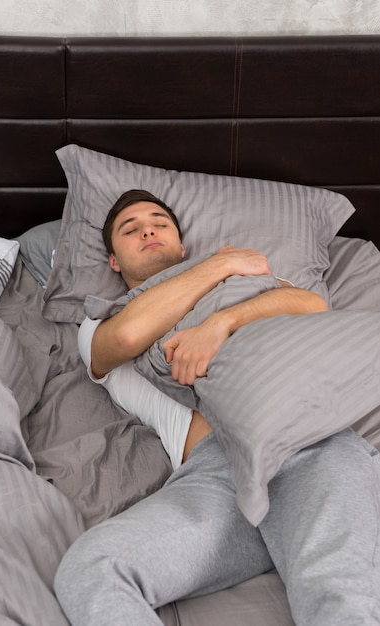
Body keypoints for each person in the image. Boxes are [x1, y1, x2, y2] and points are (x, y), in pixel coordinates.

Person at [55, 189, 380, 625]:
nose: (148, 229)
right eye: (130, 230)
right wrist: (220, 262)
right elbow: (129, 338)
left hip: (304, 442)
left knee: (337, 589)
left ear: (181, 244)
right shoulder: (101, 321)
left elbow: (312, 305)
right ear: (113, 261)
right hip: (218, 476)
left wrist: (220, 322)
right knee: (91, 569)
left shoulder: (242, 286)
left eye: (159, 222)